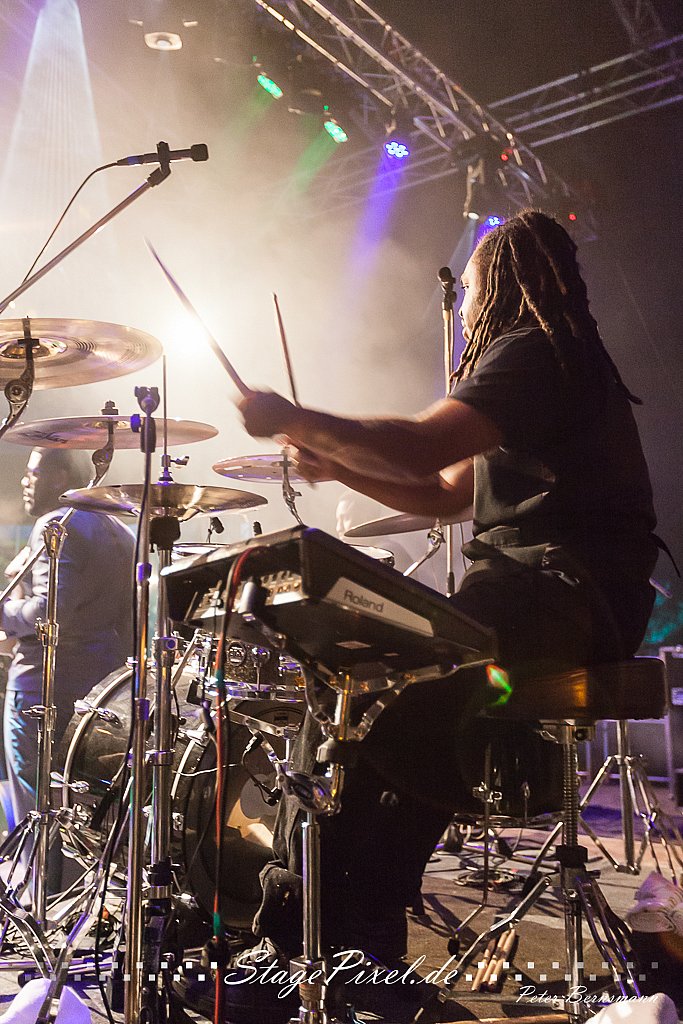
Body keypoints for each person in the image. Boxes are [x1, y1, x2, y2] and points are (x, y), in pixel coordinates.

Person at [212, 209, 658, 1022]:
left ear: (503, 282)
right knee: (367, 694)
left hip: (558, 588)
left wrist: (296, 419)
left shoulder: (532, 352)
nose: (467, 304)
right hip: (559, 593)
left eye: (474, 284)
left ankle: (330, 941)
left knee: (374, 688)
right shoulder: (555, 367)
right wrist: (335, 463)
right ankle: (339, 939)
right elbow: (444, 494)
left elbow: (421, 446)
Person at [1, 447, 135, 849]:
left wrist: (4, 612)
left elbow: (49, 612)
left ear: (61, 477)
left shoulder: (56, 524)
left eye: (34, 473)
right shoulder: (122, 531)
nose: (25, 481)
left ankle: (34, 885)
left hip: (40, 687)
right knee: (78, 809)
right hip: (101, 694)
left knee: (34, 809)